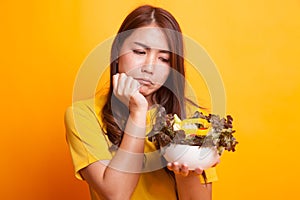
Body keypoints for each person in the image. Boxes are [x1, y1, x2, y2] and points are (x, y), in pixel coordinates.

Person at [65, 5, 219, 200]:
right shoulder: (83, 115)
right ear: (117, 52)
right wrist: (137, 113)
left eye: (163, 59)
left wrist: (186, 172)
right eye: (139, 52)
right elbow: (116, 195)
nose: (149, 68)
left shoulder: (189, 118)